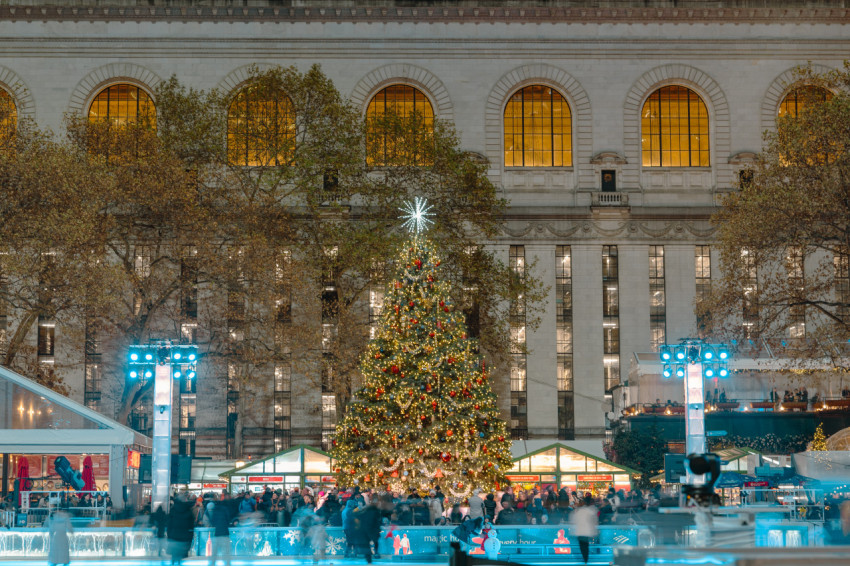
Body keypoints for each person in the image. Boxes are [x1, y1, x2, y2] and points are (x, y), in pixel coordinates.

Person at [167, 494, 196, 565]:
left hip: (173, 537)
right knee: (181, 558)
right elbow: (191, 526)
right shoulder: (188, 511)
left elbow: (169, 524)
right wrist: (190, 539)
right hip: (184, 539)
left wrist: (169, 536)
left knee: (174, 558)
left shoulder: (173, 510)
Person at [570, 494, 598, 565]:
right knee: (586, 546)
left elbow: (573, 521)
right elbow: (594, 520)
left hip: (580, 532)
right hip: (587, 532)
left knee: (583, 547)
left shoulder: (577, 511)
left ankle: (585, 559)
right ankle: (586, 560)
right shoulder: (590, 511)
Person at [210, 494, 232, 566]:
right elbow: (228, 519)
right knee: (226, 554)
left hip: (217, 534)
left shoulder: (215, 510)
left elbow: (213, 521)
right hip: (225, 534)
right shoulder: (225, 509)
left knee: (214, 554)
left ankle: (212, 564)